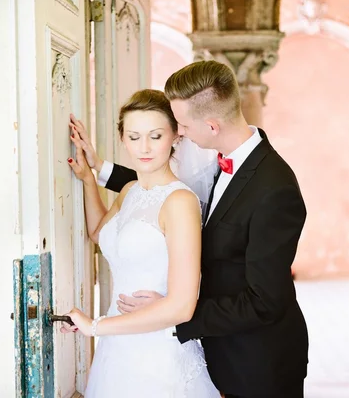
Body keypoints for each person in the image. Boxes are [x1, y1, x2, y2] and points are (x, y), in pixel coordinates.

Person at [72, 60, 309, 398]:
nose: (179, 134)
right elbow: (155, 193)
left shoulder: (274, 189)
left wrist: (174, 311)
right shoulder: (220, 164)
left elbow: (265, 302)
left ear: (211, 126)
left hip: (258, 363)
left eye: (180, 125)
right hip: (213, 349)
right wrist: (96, 171)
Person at [61, 89, 221, 398]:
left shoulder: (180, 202)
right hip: (117, 350)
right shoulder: (130, 191)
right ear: (122, 138)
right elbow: (99, 233)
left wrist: (95, 326)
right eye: (134, 137)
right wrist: (87, 180)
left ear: (176, 136)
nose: (144, 148)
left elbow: (182, 307)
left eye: (155, 136)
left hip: (159, 353)